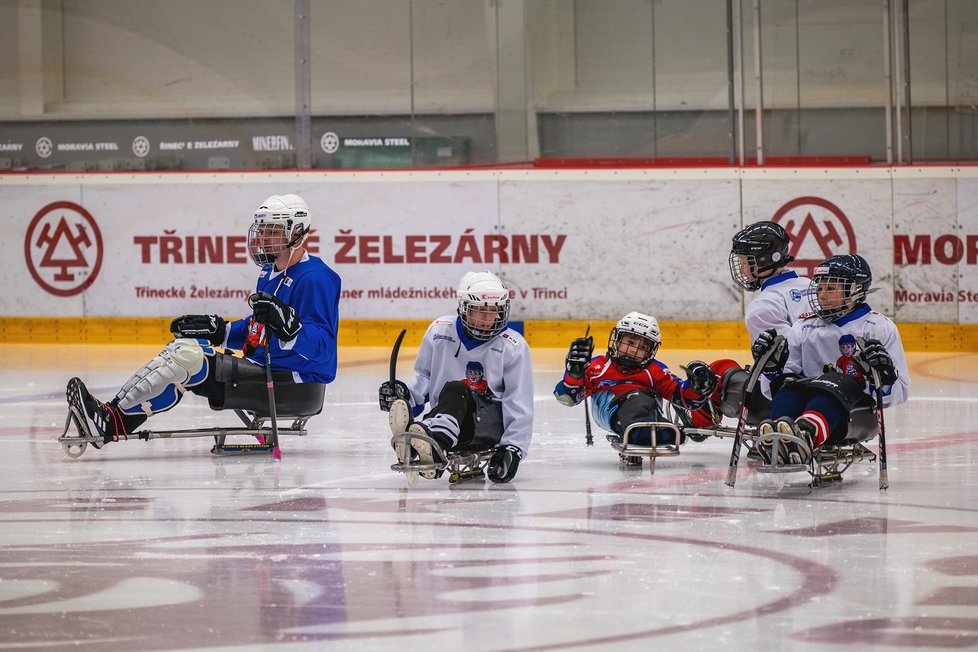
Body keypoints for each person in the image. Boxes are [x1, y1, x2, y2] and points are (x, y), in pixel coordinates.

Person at [64, 194, 341, 449]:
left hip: (292, 385)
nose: (264, 238)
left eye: (273, 231)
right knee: (182, 348)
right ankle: (110, 414)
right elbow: (257, 329)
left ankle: (111, 424)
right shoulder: (269, 273)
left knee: (187, 359)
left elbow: (324, 351)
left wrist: (291, 329)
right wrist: (221, 331)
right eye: (263, 231)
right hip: (262, 371)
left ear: (296, 233)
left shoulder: (315, 278)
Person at [749, 254, 910, 465]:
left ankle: (806, 434)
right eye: (819, 288)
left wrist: (886, 377)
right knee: (790, 387)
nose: (821, 296)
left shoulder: (877, 327)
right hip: (809, 404)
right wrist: (772, 370)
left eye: (831, 289)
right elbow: (776, 386)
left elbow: (900, 392)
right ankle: (781, 433)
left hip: (853, 414)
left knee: (834, 383)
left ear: (856, 290)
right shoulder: (803, 327)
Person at [378, 270, 532, 483]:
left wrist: (514, 447)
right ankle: (424, 443)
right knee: (449, 396)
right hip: (447, 419)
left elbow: (519, 402)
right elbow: (424, 377)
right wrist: (405, 395)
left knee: (456, 389)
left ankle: (431, 444)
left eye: (495, 311)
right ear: (463, 307)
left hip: (487, 426)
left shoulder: (513, 346)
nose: (489, 319)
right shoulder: (439, 331)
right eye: (481, 311)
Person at [686, 220, 813, 431]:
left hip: (786, 400)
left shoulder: (763, 306)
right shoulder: (812, 286)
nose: (743, 269)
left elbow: (783, 364)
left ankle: (698, 422)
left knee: (720, 369)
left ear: (764, 261)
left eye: (747, 261)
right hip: (825, 389)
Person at [553, 312, 718, 456]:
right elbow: (567, 398)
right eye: (630, 343)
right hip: (609, 412)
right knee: (635, 396)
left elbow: (681, 396)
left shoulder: (655, 370)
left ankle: (653, 428)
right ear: (617, 340)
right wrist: (574, 375)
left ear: (651, 351)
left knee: (642, 399)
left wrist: (697, 386)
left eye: (643, 347)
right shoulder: (597, 367)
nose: (633, 351)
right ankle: (646, 431)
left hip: (647, 411)